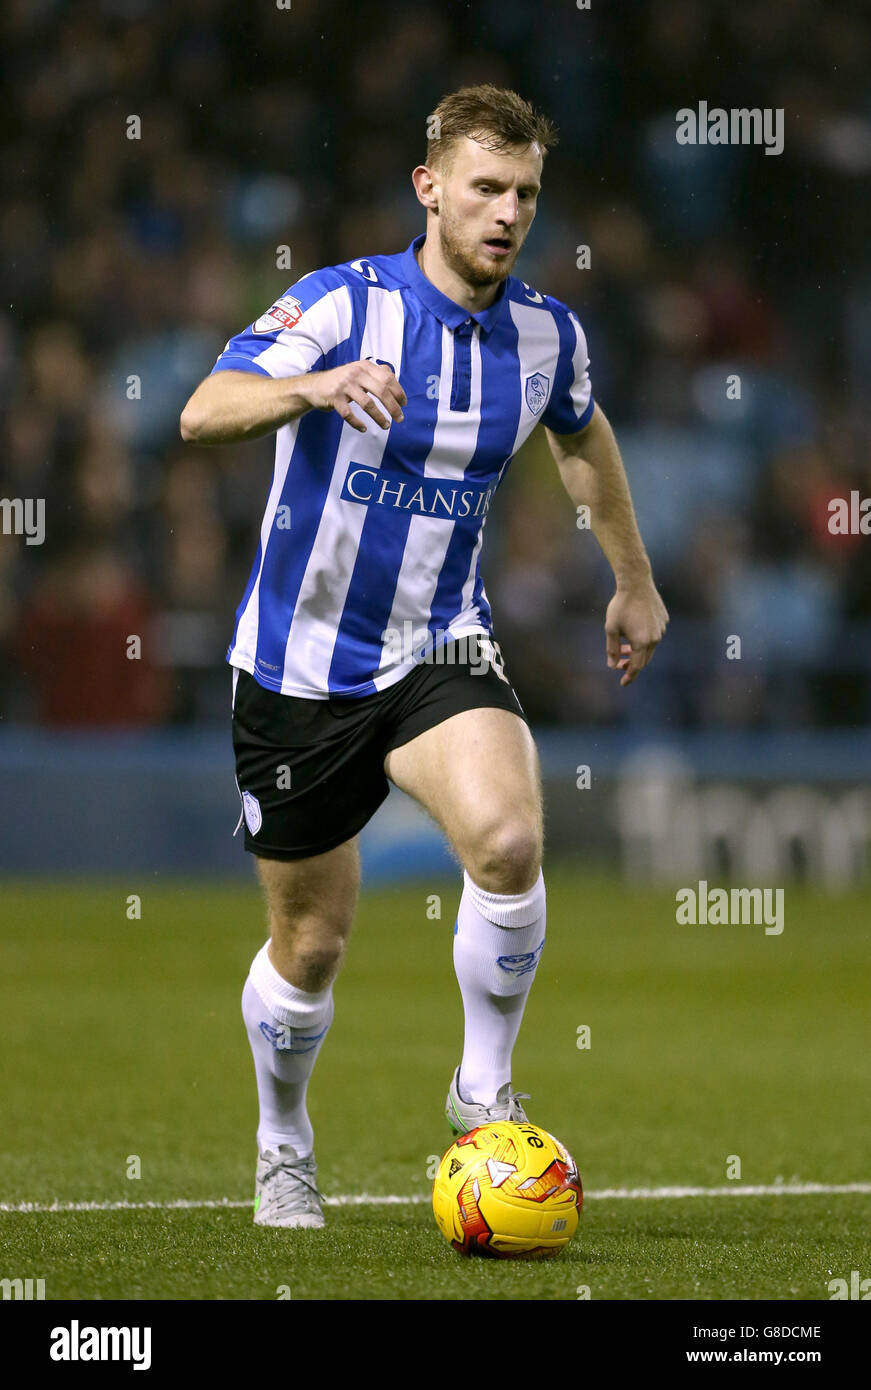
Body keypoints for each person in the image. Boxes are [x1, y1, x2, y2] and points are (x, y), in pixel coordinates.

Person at [179, 84, 668, 1229]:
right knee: (312, 943)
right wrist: (312, 384)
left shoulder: (547, 335)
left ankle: (481, 1088)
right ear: (430, 187)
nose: (506, 213)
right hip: (299, 664)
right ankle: (284, 1136)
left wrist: (633, 581)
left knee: (505, 840)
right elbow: (203, 409)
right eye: (485, 187)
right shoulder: (341, 304)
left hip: (440, 643)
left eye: (526, 194)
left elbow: (583, 433)